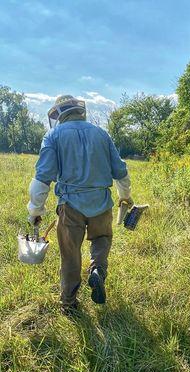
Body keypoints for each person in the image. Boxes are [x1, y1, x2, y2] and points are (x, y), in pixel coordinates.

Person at [27, 95, 133, 315]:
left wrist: (36, 210)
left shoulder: (53, 135)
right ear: (79, 111)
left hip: (70, 206)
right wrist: (125, 196)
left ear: (60, 113)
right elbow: (120, 171)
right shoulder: (102, 134)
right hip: (102, 203)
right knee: (102, 241)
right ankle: (97, 271)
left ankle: (69, 303)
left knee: (70, 254)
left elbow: (42, 179)